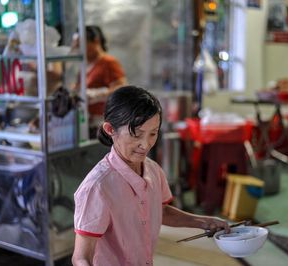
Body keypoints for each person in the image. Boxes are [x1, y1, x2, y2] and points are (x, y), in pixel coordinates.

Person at [72, 86, 230, 266]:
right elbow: (81, 257)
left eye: (153, 134)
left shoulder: (153, 170)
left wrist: (204, 222)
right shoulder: (97, 187)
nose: (145, 144)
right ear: (110, 129)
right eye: (136, 134)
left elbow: (159, 210)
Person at [72, 25, 127, 136]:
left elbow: (121, 90)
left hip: (103, 125)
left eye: (81, 45)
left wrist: (97, 94)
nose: (78, 50)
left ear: (96, 41)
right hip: (86, 123)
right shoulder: (84, 66)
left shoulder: (108, 63)